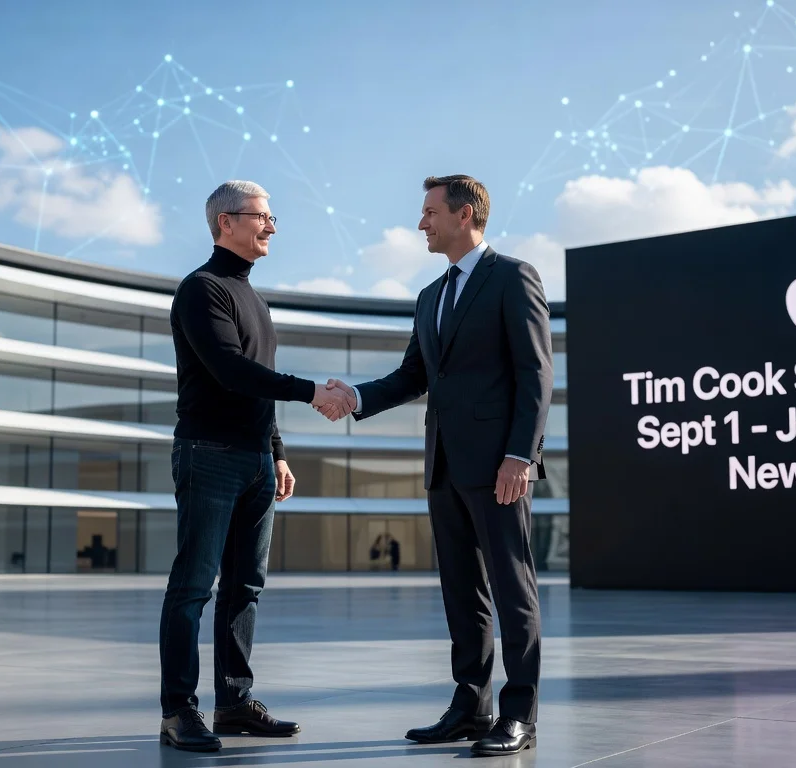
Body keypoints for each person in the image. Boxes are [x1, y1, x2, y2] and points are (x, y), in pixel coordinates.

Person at [326, 174, 553, 757]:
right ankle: (470, 705)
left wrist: (519, 455)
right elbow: (412, 377)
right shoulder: (430, 297)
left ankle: (520, 712)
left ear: (466, 213)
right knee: (463, 591)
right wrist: (355, 397)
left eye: (429, 212)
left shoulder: (513, 276)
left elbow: (535, 374)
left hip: (500, 466)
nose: (420, 223)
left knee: (512, 589)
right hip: (444, 467)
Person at [158, 180, 354, 753]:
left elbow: (256, 386)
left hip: (254, 461)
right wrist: (312, 390)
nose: (271, 227)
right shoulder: (202, 289)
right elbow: (229, 371)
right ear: (225, 222)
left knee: (245, 586)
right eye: (262, 217)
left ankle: (234, 702)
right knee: (194, 586)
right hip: (209, 455)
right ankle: (177, 711)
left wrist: (276, 450)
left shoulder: (253, 298)